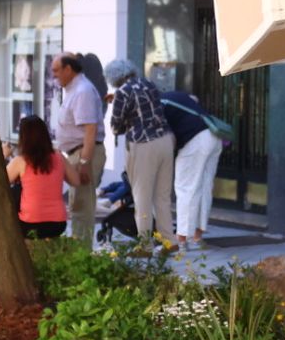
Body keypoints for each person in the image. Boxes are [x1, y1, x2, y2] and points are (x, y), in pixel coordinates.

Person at [103, 59, 174, 242]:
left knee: (141, 196)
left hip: (143, 145)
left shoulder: (122, 92)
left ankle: (144, 244)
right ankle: (168, 241)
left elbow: (115, 127)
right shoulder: (149, 84)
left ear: (113, 77)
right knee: (162, 197)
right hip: (165, 140)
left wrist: (116, 106)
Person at [49, 53, 104, 245]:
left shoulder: (82, 91)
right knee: (77, 204)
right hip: (75, 153)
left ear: (68, 69)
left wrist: (84, 162)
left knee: (82, 205)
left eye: (56, 71)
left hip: (84, 153)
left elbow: (90, 129)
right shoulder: (74, 89)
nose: (54, 76)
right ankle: (80, 248)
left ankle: (83, 251)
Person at [161, 89, 225, 250]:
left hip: (195, 141)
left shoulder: (158, 104)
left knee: (185, 188)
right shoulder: (177, 96)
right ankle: (197, 237)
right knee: (204, 187)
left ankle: (181, 239)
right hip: (214, 137)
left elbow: (166, 136)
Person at [7, 115, 80, 239]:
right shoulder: (58, 156)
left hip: (29, 224)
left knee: (14, 191)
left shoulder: (21, 161)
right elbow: (76, 181)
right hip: (58, 224)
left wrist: (4, 154)